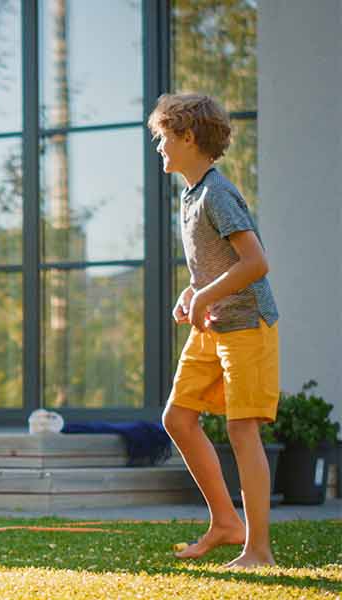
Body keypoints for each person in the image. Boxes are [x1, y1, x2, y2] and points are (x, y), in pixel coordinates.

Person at [151, 93, 280, 569]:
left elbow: (256, 263)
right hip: (213, 324)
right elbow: (216, 265)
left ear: (188, 137)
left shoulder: (217, 193)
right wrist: (193, 292)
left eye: (163, 138)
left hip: (247, 324)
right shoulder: (191, 195)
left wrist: (204, 295)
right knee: (178, 418)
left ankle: (258, 550)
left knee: (241, 429)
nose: (159, 147)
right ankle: (226, 522)